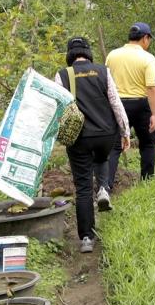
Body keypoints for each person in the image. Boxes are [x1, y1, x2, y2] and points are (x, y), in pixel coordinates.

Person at [55, 36, 131, 253]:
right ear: (88, 53)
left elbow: (57, 107)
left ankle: (87, 238)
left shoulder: (62, 75)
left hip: (80, 138)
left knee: (83, 187)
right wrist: (125, 131)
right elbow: (115, 103)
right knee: (102, 157)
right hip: (106, 134)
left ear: (69, 54)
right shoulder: (103, 71)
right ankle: (104, 189)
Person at [104, 23, 155, 188]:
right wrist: (154, 114)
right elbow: (151, 87)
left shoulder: (112, 55)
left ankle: (106, 187)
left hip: (117, 104)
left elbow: (106, 82)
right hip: (141, 105)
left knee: (114, 147)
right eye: (149, 39)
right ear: (145, 38)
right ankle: (147, 183)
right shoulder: (148, 58)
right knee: (147, 144)